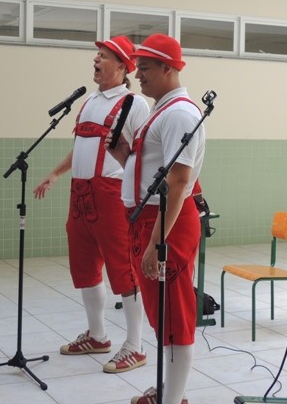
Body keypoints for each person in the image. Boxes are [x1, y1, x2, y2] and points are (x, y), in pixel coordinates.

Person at [33, 36, 150, 374]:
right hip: (80, 195)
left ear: (122, 66)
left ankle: (135, 345)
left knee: (123, 271)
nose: (96, 60)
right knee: (84, 268)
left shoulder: (134, 104)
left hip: (112, 197)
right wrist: (55, 174)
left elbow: (142, 153)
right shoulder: (89, 102)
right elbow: (82, 148)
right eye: (96, 55)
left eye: (103, 56)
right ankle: (98, 335)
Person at [106, 34, 205, 404]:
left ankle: (173, 398)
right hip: (148, 220)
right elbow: (153, 172)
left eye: (145, 68)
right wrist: (123, 154)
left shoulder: (179, 114)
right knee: (161, 314)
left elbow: (178, 182)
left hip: (166, 223)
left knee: (175, 317)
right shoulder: (163, 110)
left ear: (168, 68)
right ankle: (168, 390)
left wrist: (157, 243)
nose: (138, 75)